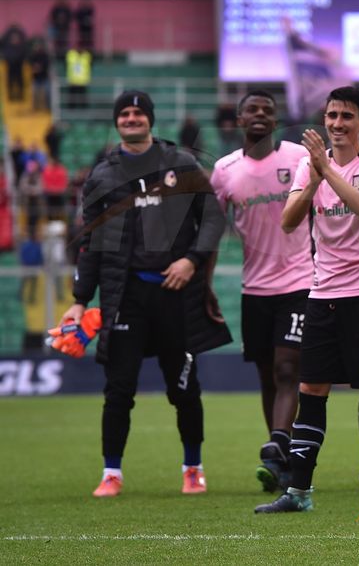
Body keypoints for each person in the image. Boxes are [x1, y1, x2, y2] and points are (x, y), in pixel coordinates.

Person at [60, 90, 229, 498]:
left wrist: (190, 260)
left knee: (184, 390)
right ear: (117, 121)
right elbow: (92, 244)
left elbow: (212, 219)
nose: (132, 118)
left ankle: (193, 469)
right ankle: (111, 474)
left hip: (176, 297)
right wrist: (81, 299)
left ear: (151, 120)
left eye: (139, 113)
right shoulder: (102, 176)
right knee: (118, 391)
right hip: (126, 298)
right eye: (125, 113)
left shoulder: (180, 164)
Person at [255, 86, 359, 514]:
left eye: (346, 116)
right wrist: (316, 173)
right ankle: (299, 492)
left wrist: (326, 170)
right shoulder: (309, 167)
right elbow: (287, 221)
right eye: (331, 115)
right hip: (322, 293)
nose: (337, 123)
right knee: (311, 389)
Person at [209, 91, 311, 493]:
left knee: (288, 368)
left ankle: (279, 443)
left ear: (275, 121)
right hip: (255, 287)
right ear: (238, 119)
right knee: (268, 375)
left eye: (268, 110)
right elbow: (212, 232)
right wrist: (206, 286)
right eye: (252, 109)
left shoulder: (298, 158)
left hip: (301, 281)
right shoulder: (224, 171)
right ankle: (281, 457)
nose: (261, 114)